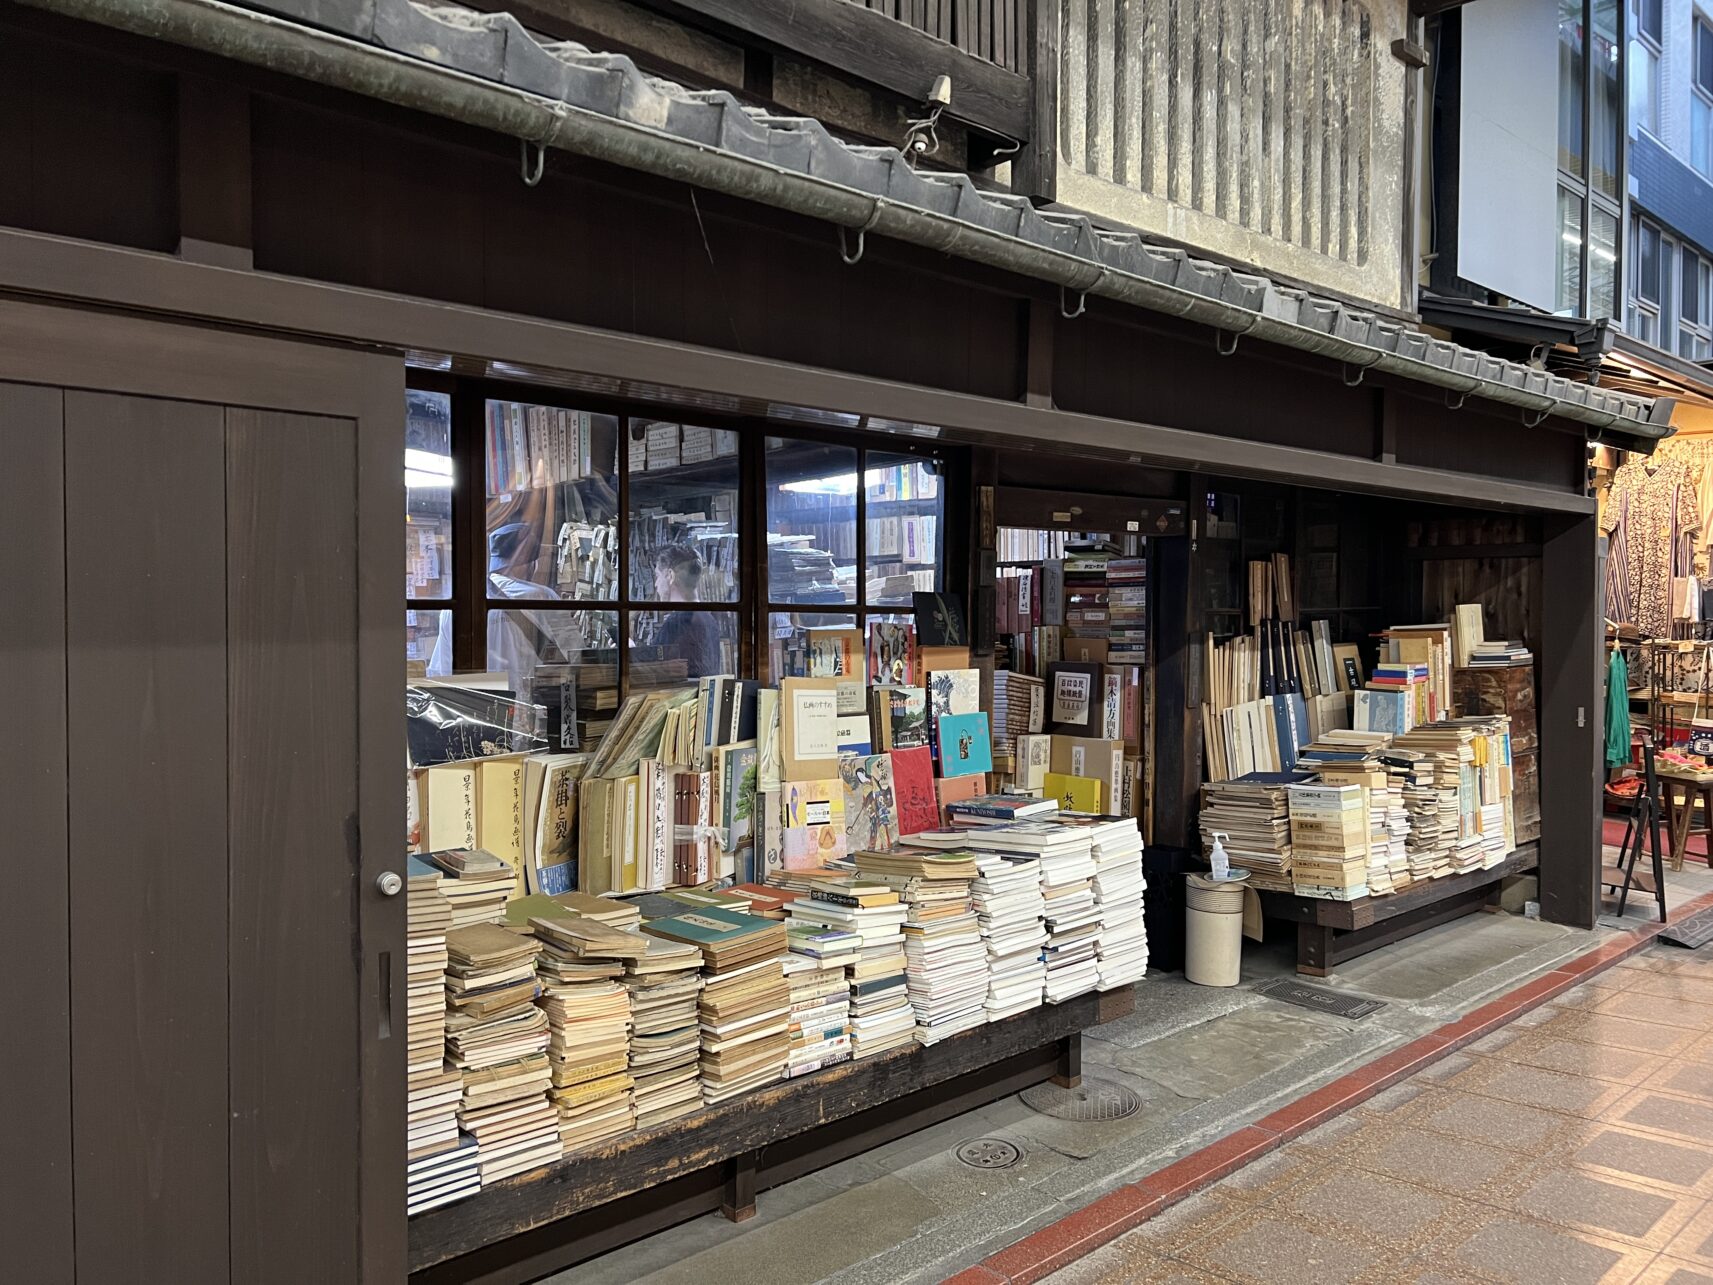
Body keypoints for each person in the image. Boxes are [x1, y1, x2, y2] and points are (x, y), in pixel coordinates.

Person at [651, 542, 724, 677]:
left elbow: (653, 673)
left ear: (670, 576)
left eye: (657, 576)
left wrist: (630, 650)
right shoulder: (709, 619)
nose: (656, 584)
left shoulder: (677, 622)